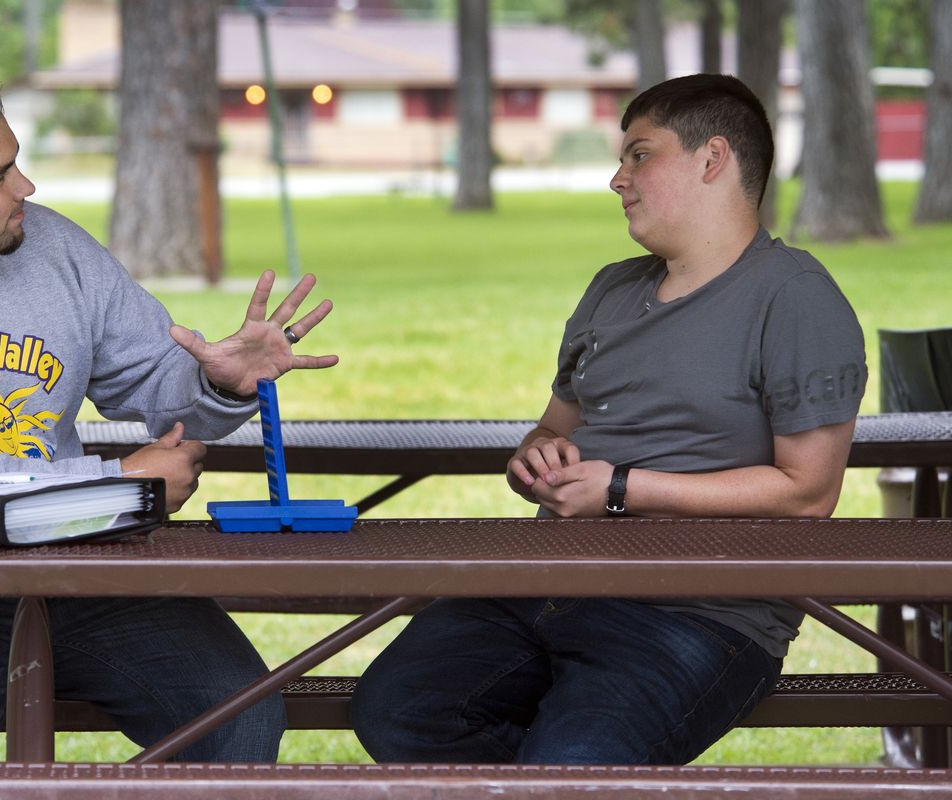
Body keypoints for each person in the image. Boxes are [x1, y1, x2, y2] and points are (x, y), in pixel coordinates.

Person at [0, 71, 336, 800]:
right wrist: (111, 486)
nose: (25, 187)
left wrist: (220, 382)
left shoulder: (52, 247)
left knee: (236, 715)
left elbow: (160, 391)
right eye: (0, 176)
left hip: (73, 565)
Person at [350, 74, 867, 765]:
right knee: (395, 711)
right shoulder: (611, 289)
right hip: (544, 581)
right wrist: (536, 460)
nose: (617, 179)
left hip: (702, 612)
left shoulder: (795, 297)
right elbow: (552, 428)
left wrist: (621, 488)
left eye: (639, 155)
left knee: (578, 763)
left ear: (713, 159)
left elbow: (808, 493)